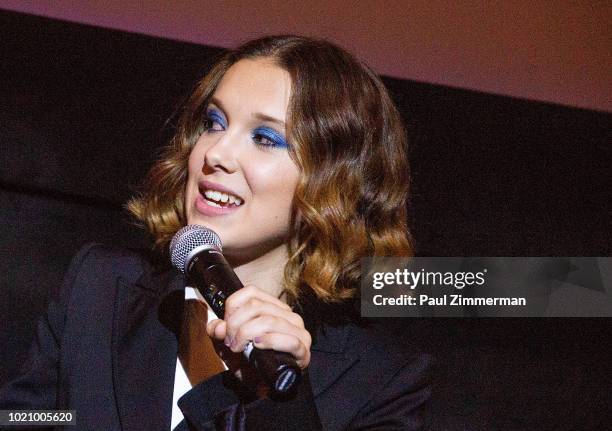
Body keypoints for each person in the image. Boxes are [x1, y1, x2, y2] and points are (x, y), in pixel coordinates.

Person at [0, 35, 431, 430]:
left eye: (265, 138)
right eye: (214, 122)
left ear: (336, 182)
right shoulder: (98, 286)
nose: (216, 153)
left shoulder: (382, 380)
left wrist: (280, 402)